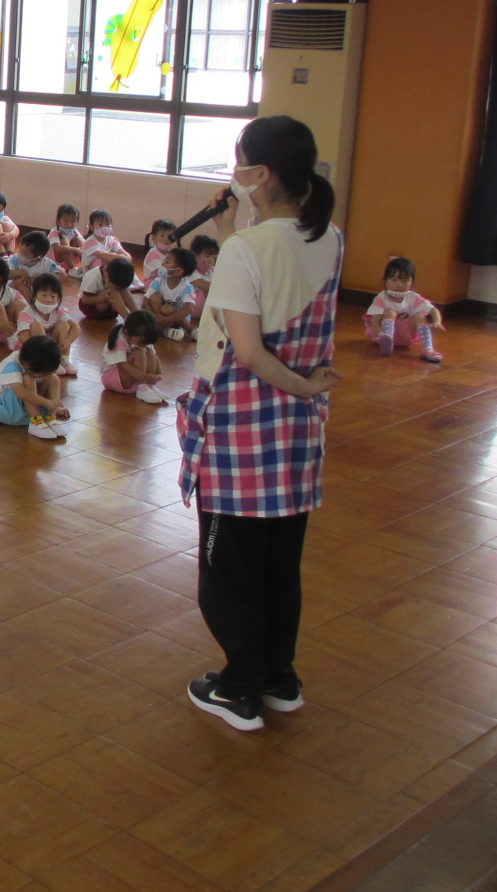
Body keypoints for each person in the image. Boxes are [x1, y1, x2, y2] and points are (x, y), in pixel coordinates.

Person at [177, 115, 343, 733]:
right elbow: (277, 270)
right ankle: (279, 679)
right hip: (297, 434)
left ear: (260, 174)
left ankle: (239, 688)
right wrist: (231, 232)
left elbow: (247, 352)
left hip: (241, 432)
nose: (234, 171)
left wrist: (297, 382)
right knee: (278, 563)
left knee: (227, 572)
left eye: (240, 161)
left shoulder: (246, 252)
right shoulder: (329, 237)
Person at [0, 334, 67, 438]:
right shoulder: (11, 364)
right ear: (26, 365)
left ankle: (50, 417)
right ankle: (36, 421)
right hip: (3, 410)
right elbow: (20, 393)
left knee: (53, 378)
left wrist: (53, 406)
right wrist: (48, 402)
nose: (44, 376)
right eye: (42, 373)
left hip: (23, 408)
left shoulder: (31, 362)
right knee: (28, 378)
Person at [364, 256, 443, 362]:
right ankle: (388, 340)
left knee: (420, 317)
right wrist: (381, 335)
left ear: (412, 282)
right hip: (382, 334)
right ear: (386, 281)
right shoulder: (381, 298)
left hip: (406, 334)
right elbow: (375, 321)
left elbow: (433, 310)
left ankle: (428, 349)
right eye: (394, 280)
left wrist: (437, 321)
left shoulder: (414, 298)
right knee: (390, 313)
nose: (399, 284)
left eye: (405, 281)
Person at [102, 310, 167, 404]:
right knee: (139, 353)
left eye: (146, 342)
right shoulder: (119, 339)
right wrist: (144, 377)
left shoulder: (143, 339)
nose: (143, 344)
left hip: (134, 380)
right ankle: (143, 388)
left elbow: (153, 356)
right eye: (140, 341)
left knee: (149, 352)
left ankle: (148, 386)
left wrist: (158, 375)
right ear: (126, 333)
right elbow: (122, 364)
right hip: (114, 380)